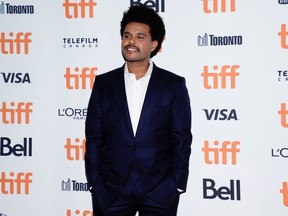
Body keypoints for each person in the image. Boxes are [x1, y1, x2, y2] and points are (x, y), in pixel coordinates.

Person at [85, 4, 192, 216]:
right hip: (111, 190)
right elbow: (94, 137)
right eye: (127, 35)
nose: (131, 41)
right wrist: (94, 183)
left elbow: (181, 138)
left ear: (154, 44)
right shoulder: (104, 84)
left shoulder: (173, 85)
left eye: (140, 37)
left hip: (159, 190)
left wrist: (176, 184)